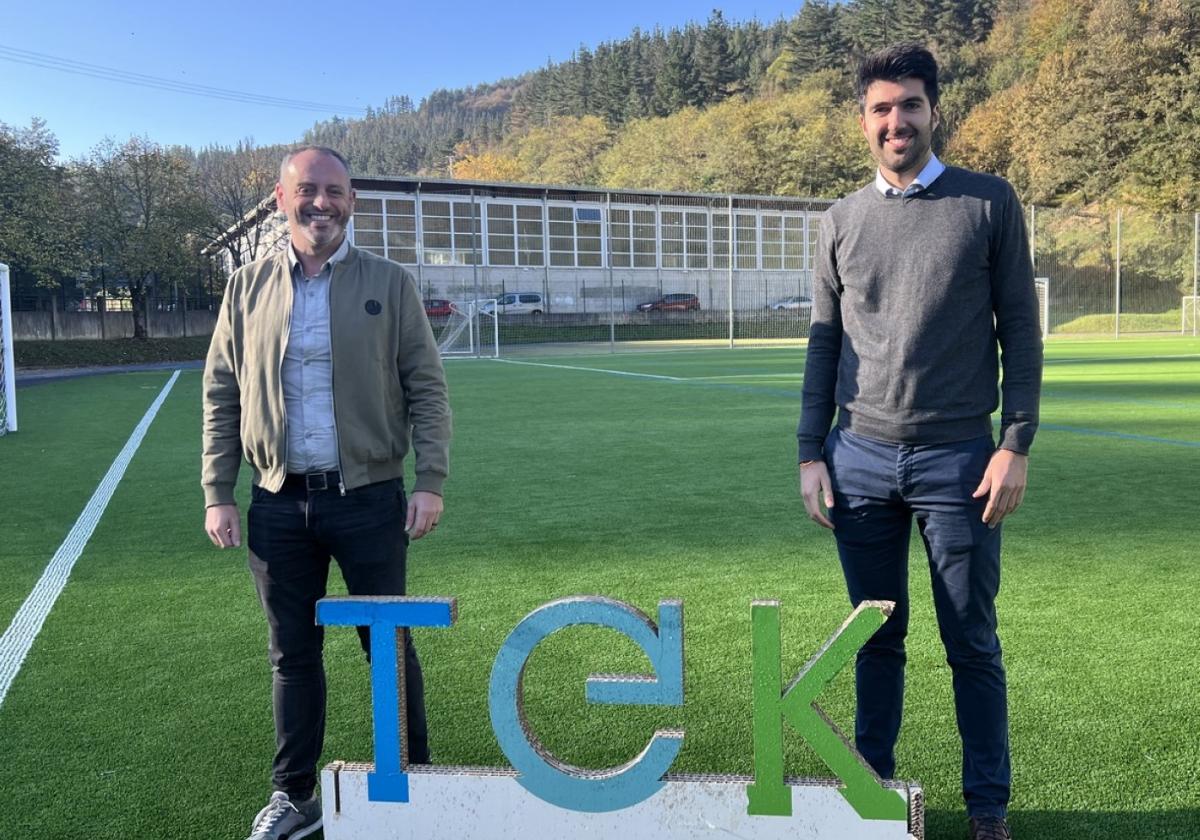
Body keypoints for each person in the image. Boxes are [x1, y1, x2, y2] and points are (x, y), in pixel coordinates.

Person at [797, 44, 1042, 840]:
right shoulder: (839, 221)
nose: (894, 121)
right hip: (858, 458)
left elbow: (1022, 334)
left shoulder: (987, 202)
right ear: (862, 121)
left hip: (960, 463)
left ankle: (987, 812)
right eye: (880, 108)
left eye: (908, 105)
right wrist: (811, 453)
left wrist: (1016, 443)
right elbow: (823, 345)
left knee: (971, 639)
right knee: (876, 637)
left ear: (934, 109)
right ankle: (871, 801)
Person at [202, 146, 451, 840]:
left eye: (334, 190)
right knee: (292, 653)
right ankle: (292, 794)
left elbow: (426, 387)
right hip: (277, 502)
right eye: (307, 190)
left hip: (370, 499)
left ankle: (415, 783)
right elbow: (221, 392)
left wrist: (430, 480)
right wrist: (217, 490)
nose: (322, 202)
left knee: (390, 645)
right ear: (281, 201)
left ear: (351, 201)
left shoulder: (389, 283)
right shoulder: (246, 287)